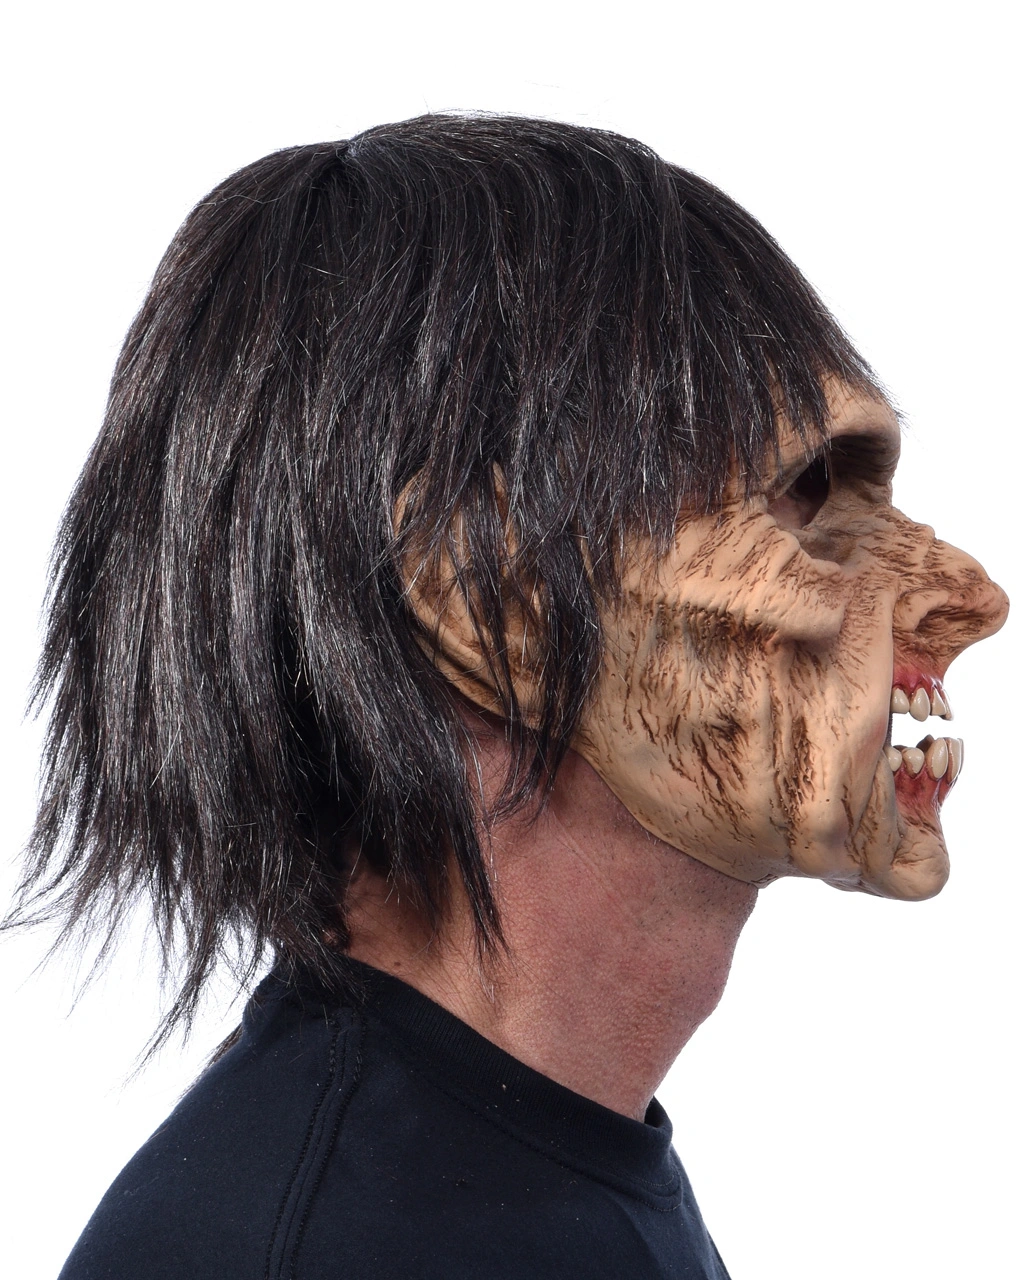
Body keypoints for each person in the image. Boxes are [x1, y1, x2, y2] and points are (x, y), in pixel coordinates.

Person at [8, 113, 1007, 1279]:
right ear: (490, 599)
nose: (968, 596)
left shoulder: (526, 1164)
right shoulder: (309, 1247)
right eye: (805, 494)